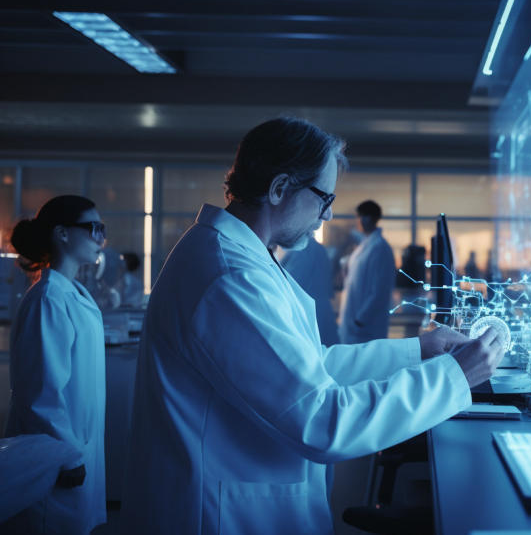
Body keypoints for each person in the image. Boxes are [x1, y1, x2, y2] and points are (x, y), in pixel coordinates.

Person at [121, 117, 506, 534]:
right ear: (279, 188)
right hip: (222, 515)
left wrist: (419, 351)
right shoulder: (229, 276)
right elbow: (321, 422)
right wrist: (454, 377)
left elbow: (312, 366)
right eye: (324, 198)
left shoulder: (240, 256)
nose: (328, 214)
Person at [3, 195, 107, 534]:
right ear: (62, 234)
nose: (100, 239)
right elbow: (42, 396)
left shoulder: (71, 294)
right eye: (93, 228)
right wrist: (69, 457)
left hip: (76, 447)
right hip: (57, 458)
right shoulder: (48, 300)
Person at [338, 200, 396, 343]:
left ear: (367, 218)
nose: (357, 221)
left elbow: (380, 290)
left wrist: (361, 319)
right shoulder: (365, 245)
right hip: (355, 320)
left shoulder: (380, 248)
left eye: (359, 216)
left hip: (365, 325)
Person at [281, 238, 340, 344]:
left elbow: (292, 281)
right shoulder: (319, 248)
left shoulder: (302, 250)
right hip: (320, 305)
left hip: (310, 308)